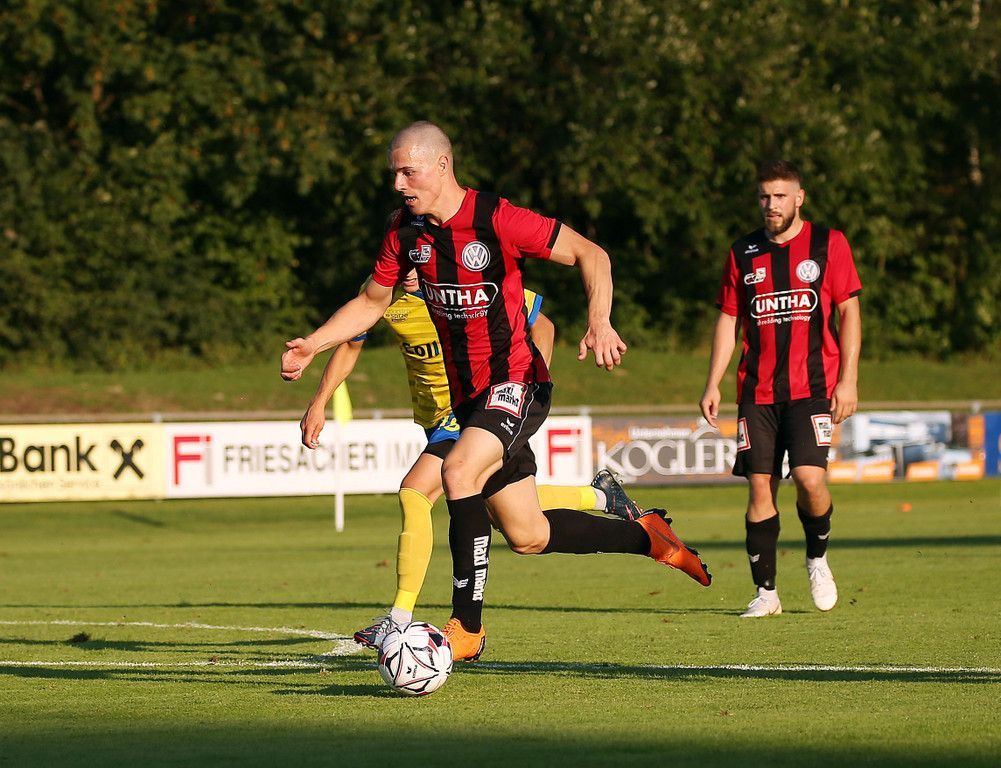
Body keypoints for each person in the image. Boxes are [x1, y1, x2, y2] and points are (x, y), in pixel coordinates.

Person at [283, 121, 710, 660]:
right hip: (469, 400)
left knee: (456, 472)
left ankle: (467, 627)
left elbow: (592, 254)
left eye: (408, 172)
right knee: (527, 534)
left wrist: (599, 321)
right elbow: (371, 302)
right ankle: (648, 538)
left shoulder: (496, 218)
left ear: (442, 165)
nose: (397, 184)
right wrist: (314, 344)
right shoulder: (405, 234)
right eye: (393, 173)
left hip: (517, 381)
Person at [300, 268, 644, 648]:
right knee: (510, 516)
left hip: (476, 410)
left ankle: (398, 619)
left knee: (415, 492)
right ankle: (601, 496)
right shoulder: (379, 291)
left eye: (417, 259)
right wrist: (319, 402)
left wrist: (525, 385)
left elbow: (543, 326)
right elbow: (350, 345)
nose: (410, 271)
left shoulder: (464, 278)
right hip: (435, 420)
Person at [699, 159, 862, 618]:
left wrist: (849, 379)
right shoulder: (743, 252)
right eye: (764, 196)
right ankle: (766, 593)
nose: (771, 204)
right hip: (756, 392)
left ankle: (817, 558)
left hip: (813, 387)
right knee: (759, 488)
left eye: (780, 196)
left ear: (799, 198)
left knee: (810, 480)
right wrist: (712, 382)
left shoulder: (829, 244)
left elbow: (849, 312)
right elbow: (729, 319)